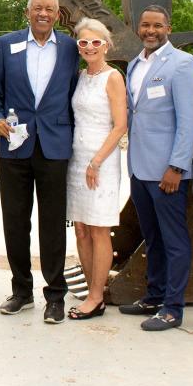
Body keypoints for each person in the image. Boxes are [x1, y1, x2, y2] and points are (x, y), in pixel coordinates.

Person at [0, 0, 79, 324]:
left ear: (57, 14)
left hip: (54, 144)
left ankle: (55, 295)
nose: (43, 13)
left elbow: (75, 92)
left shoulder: (71, 48)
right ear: (27, 12)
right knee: (15, 220)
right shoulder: (6, 44)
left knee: (53, 223)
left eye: (49, 9)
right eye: (37, 7)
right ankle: (21, 291)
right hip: (13, 146)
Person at [119, 5, 193, 331]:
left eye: (157, 25)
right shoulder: (136, 65)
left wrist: (177, 166)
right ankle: (153, 295)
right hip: (139, 169)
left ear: (168, 27)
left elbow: (190, 120)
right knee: (151, 237)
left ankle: (172, 307)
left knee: (174, 240)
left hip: (167, 173)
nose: (150, 31)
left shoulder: (182, 64)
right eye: (145, 25)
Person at [65, 18, 127, 321]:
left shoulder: (112, 77)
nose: (89, 47)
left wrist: (97, 161)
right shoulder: (80, 76)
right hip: (77, 159)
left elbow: (120, 126)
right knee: (81, 228)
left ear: (106, 45)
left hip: (101, 160)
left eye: (95, 42)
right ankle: (93, 289)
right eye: (83, 42)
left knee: (99, 228)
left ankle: (96, 296)